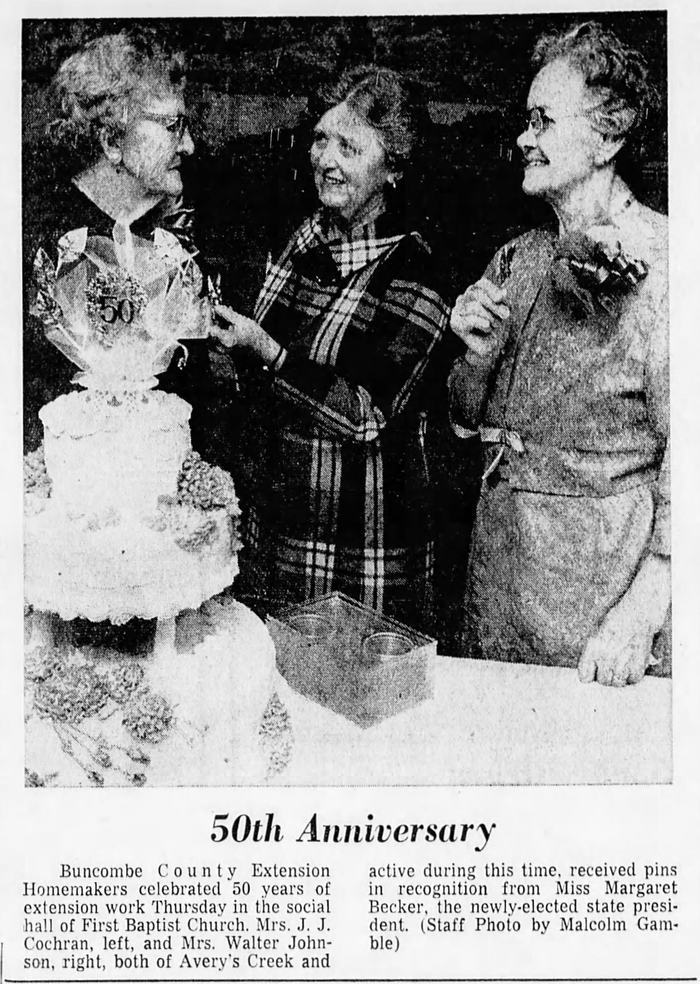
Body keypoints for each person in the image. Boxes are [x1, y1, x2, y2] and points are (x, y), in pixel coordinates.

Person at [448, 22, 669, 686]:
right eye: (524, 121)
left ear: (609, 137)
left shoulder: (668, 266)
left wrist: (642, 612)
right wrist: (476, 359)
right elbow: (465, 418)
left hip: (601, 604)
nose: (523, 138)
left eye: (542, 121)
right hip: (501, 586)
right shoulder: (516, 259)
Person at [211, 67, 449, 627]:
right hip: (275, 533)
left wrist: (268, 352)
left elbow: (365, 415)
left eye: (349, 146)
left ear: (393, 167)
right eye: (321, 139)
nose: (326, 159)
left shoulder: (415, 272)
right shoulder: (300, 239)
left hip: (357, 549)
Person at [24, 33, 215, 453]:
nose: (189, 145)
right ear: (112, 141)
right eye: (172, 127)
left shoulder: (170, 240)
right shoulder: (31, 244)